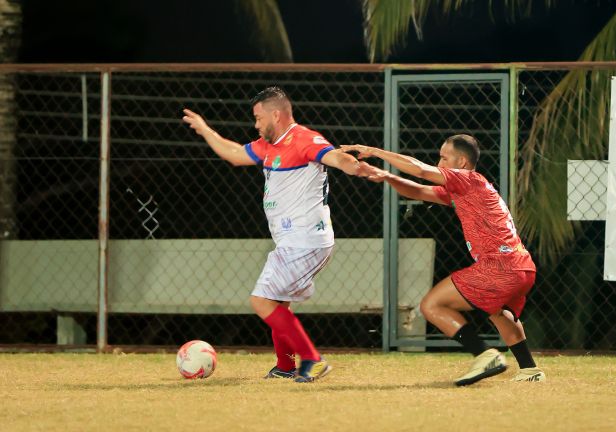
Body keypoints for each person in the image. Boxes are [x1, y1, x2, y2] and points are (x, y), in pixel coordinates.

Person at [182, 86, 363, 383]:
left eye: (257, 117)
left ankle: (311, 360)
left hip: (304, 240)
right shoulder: (269, 145)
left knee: (261, 301)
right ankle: (285, 366)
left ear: (275, 115)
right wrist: (204, 130)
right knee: (278, 303)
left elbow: (333, 156)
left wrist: (350, 164)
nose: (255, 124)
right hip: (296, 241)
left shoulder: (303, 139)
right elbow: (235, 155)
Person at [342, 135, 546, 386]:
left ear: (461, 162)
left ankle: (484, 354)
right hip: (521, 266)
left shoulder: (468, 178)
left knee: (431, 305)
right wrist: (386, 176)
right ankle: (529, 370)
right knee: (497, 312)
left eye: (444, 158)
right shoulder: (467, 188)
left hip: (499, 267)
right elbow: (418, 190)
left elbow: (420, 170)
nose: (439, 163)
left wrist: (374, 151)